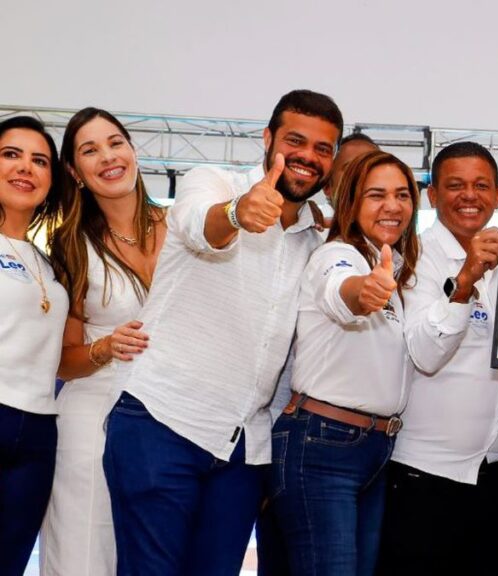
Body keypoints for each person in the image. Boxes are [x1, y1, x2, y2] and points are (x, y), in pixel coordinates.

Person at [102, 89, 342, 575]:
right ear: (268, 138)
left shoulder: (318, 239)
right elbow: (197, 226)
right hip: (162, 422)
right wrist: (236, 213)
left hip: (243, 450)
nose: (308, 157)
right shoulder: (212, 180)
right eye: (296, 140)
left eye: (323, 149)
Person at [269, 151, 419, 576]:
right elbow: (341, 291)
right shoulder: (339, 255)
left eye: (402, 194)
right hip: (322, 446)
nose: (392, 205)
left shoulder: (389, 264)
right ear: (350, 203)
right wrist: (363, 292)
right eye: (376, 195)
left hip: (372, 448)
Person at [376, 141, 498, 576]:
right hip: (424, 477)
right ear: (433, 196)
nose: (469, 195)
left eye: (481, 186)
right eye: (455, 185)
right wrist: (464, 282)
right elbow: (425, 353)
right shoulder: (412, 259)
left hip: (496, 477)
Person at [41, 108, 167, 576]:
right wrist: (104, 347)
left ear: (133, 151)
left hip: (171, 417)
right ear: (74, 173)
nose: (108, 156)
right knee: (85, 555)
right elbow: (62, 361)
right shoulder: (71, 245)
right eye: (90, 150)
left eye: (116, 142)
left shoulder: (182, 227)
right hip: (93, 417)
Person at [0, 116, 68, 576]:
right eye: (11, 154)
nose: (26, 168)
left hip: (40, 430)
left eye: (40, 160)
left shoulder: (49, 261)